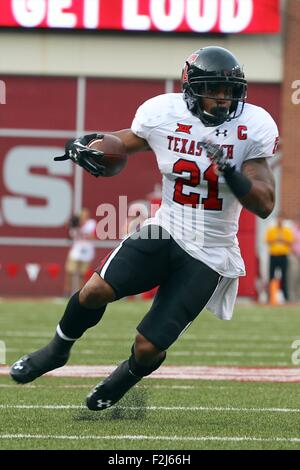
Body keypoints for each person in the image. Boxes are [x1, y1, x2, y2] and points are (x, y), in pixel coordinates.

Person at [10, 46, 278, 411]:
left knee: (148, 346)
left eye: (230, 91)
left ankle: (126, 376)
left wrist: (231, 172)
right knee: (94, 290)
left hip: (211, 249)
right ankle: (57, 349)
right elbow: (126, 141)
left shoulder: (254, 126)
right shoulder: (162, 112)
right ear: (191, 88)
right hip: (166, 227)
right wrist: (90, 143)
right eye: (213, 89)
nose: (222, 99)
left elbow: (264, 204)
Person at [63, 208, 97, 297]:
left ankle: (80, 293)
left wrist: (82, 230)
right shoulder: (75, 224)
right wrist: (71, 225)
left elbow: (93, 236)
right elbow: (70, 235)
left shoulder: (91, 224)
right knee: (70, 271)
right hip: (76, 249)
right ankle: (67, 292)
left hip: (87, 250)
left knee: (82, 274)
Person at [265, 215, 294, 301]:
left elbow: (290, 241)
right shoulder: (272, 230)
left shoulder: (287, 231)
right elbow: (268, 240)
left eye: (281, 219)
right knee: (271, 276)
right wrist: (277, 239)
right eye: (278, 218)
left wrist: (281, 240)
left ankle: (286, 297)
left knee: (284, 277)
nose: (280, 220)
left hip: (283, 256)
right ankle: (270, 297)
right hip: (273, 255)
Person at [289, 217, 300, 301]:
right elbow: (289, 243)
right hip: (294, 256)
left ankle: (298, 297)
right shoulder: (292, 230)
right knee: (293, 276)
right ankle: (292, 298)